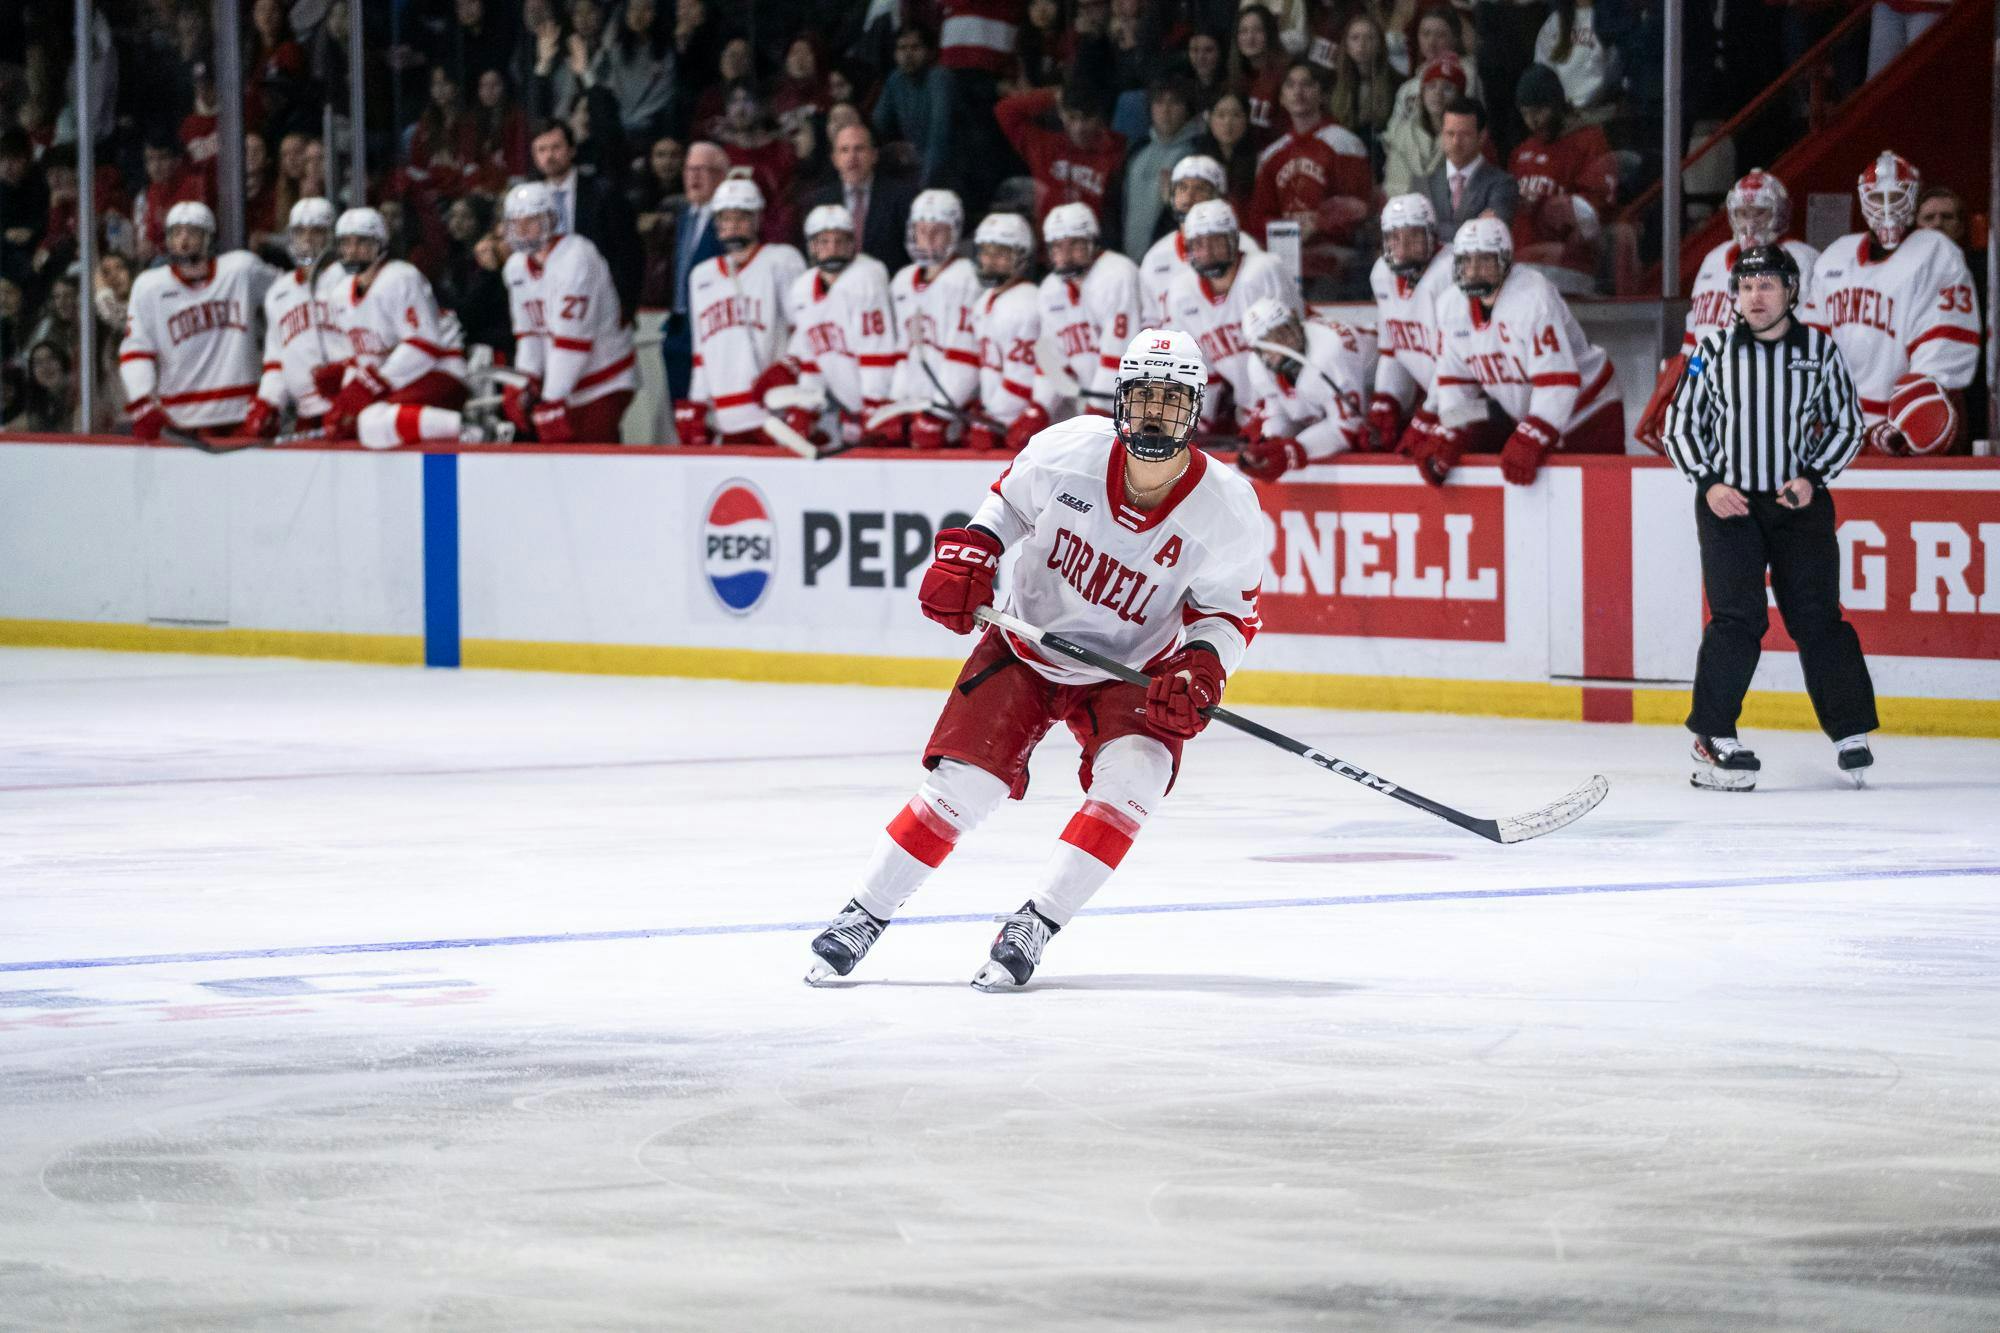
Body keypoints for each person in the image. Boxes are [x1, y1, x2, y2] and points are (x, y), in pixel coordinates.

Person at [803, 327, 1267, 990]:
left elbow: (1230, 612)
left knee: (1134, 781)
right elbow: (1006, 505)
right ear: (1120, 402)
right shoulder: (1070, 449)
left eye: (1172, 399)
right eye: (1143, 397)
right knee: (962, 787)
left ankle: (1036, 923)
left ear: (1195, 411)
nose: (1155, 413)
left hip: (1130, 670)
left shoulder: (1225, 508)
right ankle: (864, 912)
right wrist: (976, 549)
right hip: (1026, 643)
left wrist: (1201, 659)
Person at [1661, 245, 1876, 790]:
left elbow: (1849, 426)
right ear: (1734, 296)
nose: (1756, 296)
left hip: (1796, 503)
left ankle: (1850, 731)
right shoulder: (1711, 350)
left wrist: (1812, 478)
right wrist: (1709, 484)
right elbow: (1680, 427)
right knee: (1738, 619)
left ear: (1790, 293)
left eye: (1768, 285)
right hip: (1729, 506)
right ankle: (1713, 733)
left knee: (1818, 616)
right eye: (1747, 286)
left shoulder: (1820, 352)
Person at [1412, 217, 1622, 488]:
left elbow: (1558, 381)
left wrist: (1532, 435)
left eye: (1484, 261)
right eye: (1467, 262)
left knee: (1600, 505)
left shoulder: (1532, 297)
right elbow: (1455, 382)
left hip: (1591, 409)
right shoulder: (1449, 306)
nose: (1474, 270)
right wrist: (1452, 430)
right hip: (1540, 413)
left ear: (1505, 261)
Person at [1805, 152, 1981, 456]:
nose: (1887, 207)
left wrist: (1911, 417)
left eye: (1897, 196)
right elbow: (1812, 342)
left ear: (1912, 198)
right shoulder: (1835, 256)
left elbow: (1945, 343)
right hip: (1842, 427)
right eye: (1878, 197)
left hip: (1909, 424)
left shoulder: (1937, 252)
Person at [1635, 170, 1818, 453]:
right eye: (1742, 213)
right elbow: (1694, 340)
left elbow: (1805, 342)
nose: (1749, 223)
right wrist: (1687, 377)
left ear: (1779, 214)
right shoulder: (1713, 259)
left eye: (1758, 212)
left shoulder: (1800, 260)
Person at [319, 207, 480, 448]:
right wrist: (345, 400)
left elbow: (425, 346)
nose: (352, 251)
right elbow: (361, 359)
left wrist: (371, 384)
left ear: (381, 244)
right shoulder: (340, 294)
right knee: (362, 424)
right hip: (398, 378)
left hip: (441, 371)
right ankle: (451, 428)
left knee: (371, 421)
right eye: (346, 243)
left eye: (362, 242)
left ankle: (469, 429)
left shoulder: (401, 277)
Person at [119, 202, 276, 441]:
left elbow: (289, 293)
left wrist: (271, 396)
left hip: (241, 413)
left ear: (208, 238)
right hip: (180, 419)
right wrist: (143, 401)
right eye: (175, 233)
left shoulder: (241, 270)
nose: (183, 240)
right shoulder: (150, 286)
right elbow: (136, 351)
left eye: (191, 232)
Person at [500, 181, 638, 444]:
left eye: (532, 220)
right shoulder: (515, 268)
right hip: (569, 383)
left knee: (592, 461)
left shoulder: (577, 256)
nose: (523, 230)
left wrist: (552, 399)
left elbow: (572, 342)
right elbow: (529, 335)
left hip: (605, 380)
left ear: (551, 220)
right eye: (516, 223)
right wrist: (524, 384)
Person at [754, 203, 898, 449]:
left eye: (840, 241)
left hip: (885, 407)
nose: (832, 249)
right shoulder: (803, 289)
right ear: (812, 246)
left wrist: (874, 408)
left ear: (852, 243)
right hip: (853, 412)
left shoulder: (866, 277)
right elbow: (812, 358)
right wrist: (806, 407)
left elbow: (876, 353)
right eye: (824, 242)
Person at [673, 178, 805, 445]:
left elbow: (806, 327)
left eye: (741, 217)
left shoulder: (781, 261)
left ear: (757, 218)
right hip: (726, 415)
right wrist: (697, 403)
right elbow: (702, 351)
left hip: (775, 411)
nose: (732, 225)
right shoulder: (702, 275)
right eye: (725, 217)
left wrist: (789, 366)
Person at [1162, 199, 1296, 430]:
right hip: (1248, 416)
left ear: (1234, 240)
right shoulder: (1181, 294)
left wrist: (1272, 410)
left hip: (1294, 406)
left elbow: (1290, 351)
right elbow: (1200, 368)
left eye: (1216, 240)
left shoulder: (1262, 270)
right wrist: (1197, 422)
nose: (1208, 251)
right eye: (1199, 243)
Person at [1245, 61, 1373, 289]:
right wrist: (1288, 235)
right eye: (1291, 85)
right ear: (1282, 97)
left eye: (1307, 85)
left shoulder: (1344, 143)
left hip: (1335, 259)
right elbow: (1259, 216)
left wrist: (1319, 224)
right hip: (1284, 258)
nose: (1298, 92)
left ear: (1322, 94)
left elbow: (1360, 207)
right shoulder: (1272, 155)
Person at [1236, 295, 1377, 478]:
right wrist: (1271, 442)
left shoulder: (1328, 353)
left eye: (1284, 332)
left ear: (1296, 322)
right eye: (1269, 341)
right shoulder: (1258, 368)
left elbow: (1349, 427)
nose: (1282, 345)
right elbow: (1280, 413)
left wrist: (1289, 452)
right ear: (1258, 351)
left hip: (1391, 392)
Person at [887, 188, 984, 449]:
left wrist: (940, 414)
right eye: (921, 230)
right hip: (915, 415)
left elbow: (966, 357)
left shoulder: (966, 279)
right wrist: (897, 406)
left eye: (937, 231)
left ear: (954, 232)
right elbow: (901, 353)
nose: (928, 239)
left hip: (952, 418)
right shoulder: (902, 281)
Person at [1507, 64, 1616, 295]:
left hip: (1568, 268)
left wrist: (1549, 207)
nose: (1533, 121)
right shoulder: (1521, 152)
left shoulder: (1589, 141)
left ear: (1556, 104)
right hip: (1521, 267)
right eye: (1526, 113)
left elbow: (1595, 211)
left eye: (1539, 111)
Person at [245, 198, 346, 440]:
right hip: (305, 414)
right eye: (300, 232)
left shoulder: (348, 280)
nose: (307, 239)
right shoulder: (279, 292)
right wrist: (269, 403)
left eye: (317, 231)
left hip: (349, 408)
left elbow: (370, 344)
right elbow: (275, 361)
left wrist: (346, 373)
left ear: (331, 236)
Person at [1036, 202, 1143, 423]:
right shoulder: (1050, 289)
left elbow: (1120, 354)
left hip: (1134, 404)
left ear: (1092, 242)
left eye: (1074, 244)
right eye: (1057, 246)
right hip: (1090, 410)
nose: (1065, 255)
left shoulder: (1117, 274)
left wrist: (1098, 410)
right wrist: (1039, 408)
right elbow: (1050, 356)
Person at [1367, 192, 1455, 453]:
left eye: (1413, 237)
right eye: (1395, 238)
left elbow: (1458, 366)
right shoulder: (1381, 273)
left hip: (1477, 402)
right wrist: (1387, 399)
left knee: (1440, 454)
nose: (1402, 248)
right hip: (1439, 398)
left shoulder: (1450, 271)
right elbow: (1394, 350)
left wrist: (1428, 415)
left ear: (1432, 235)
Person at [531, 121, 641, 324]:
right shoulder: (528, 200)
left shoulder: (603, 193)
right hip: (547, 302)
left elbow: (628, 253)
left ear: (572, 150)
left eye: (556, 147)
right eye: (542, 149)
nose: (549, 156)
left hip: (598, 301)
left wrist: (625, 304)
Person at [1139, 155, 1266, 323]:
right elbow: (1150, 321)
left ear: (1219, 196)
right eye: (1182, 188)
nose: (1189, 196)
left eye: (1201, 189)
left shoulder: (1245, 246)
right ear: (1171, 196)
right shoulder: (1155, 257)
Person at [995, 78, 1129, 231]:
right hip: (1048, 248)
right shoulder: (1044, 146)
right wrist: (1055, 95)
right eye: (1072, 117)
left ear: (1100, 117)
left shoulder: (1119, 151)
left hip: (1094, 247)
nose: (1079, 128)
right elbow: (1004, 111)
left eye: (1087, 119)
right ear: (1060, 113)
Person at [965, 212, 1042, 451]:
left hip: (1023, 429)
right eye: (986, 252)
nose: (990, 260)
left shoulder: (1028, 303)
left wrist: (994, 418)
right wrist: (982, 407)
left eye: (1001, 253)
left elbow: (1023, 378)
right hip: (998, 427)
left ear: (1021, 256)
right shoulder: (983, 301)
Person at [660, 142, 728, 401]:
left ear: (721, 177)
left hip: (709, 328)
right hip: (678, 326)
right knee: (681, 411)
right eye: (689, 170)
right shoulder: (685, 214)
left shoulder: (728, 221)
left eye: (703, 170)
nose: (693, 177)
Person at [804, 124, 919, 274]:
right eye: (844, 150)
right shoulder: (820, 201)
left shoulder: (901, 196)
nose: (852, 157)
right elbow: (814, 256)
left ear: (874, 155)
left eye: (859, 149)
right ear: (835, 159)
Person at [1120, 73, 1202, 260]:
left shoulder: (1196, 156)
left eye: (1174, 103)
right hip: (1129, 260)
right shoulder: (1136, 151)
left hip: (1171, 261)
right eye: (1159, 102)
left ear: (1187, 109)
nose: (1165, 110)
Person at [872, 24, 958, 193]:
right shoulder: (895, 79)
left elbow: (939, 139)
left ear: (930, 52)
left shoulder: (939, 78)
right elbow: (876, 126)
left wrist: (922, 188)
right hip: (917, 166)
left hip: (953, 170)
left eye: (915, 47)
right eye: (902, 48)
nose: (907, 54)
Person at [1420, 97, 1515, 235]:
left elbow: (1490, 232)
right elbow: (1416, 233)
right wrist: (1474, 226)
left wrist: (1434, 229)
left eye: (1464, 135)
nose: (1456, 142)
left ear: (1482, 137)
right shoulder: (1425, 182)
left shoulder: (1503, 183)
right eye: (1450, 134)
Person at [1382, 54, 1468, 199]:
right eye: (1431, 87)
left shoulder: (1470, 137)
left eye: (1447, 88)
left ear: (1459, 97)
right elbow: (1394, 186)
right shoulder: (1401, 134)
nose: (1437, 94)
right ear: (1422, 94)